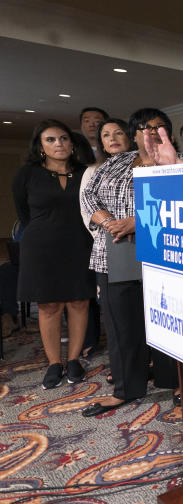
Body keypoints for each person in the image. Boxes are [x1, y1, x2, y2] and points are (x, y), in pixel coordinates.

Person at [80, 108, 183, 416]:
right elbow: (89, 196)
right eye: (144, 128)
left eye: (159, 127)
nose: (151, 133)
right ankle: (126, 388)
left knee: (170, 323)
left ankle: (176, 382)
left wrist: (137, 223)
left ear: (169, 132)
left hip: (168, 257)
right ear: (134, 133)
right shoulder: (116, 162)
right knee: (121, 326)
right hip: (113, 254)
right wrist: (108, 222)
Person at [13, 119, 95, 389]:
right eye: (50, 140)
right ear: (40, 146)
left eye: (63, 138)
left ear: (72, 144)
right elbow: (23, 213)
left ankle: (73, 360)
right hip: (41, 247)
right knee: (48, 305)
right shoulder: (27, 174)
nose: (58, 144)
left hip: (80, 244)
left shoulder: (87, 172)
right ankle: (53, 363)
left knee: (79, 302)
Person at [79, 117, 132, 359]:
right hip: (109, 246)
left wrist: (132, 223)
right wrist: (110, 225)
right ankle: (123, 370)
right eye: (106, 135)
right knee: (116, 317)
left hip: (141, 243)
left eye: (118, 133)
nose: (112, 139)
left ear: (129, 136)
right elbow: (87, 203)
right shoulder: (96, 170)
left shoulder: (143, 162)